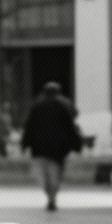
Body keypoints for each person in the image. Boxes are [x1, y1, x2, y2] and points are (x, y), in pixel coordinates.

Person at [21, 82, 80, 213]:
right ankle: (52, 197)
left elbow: (29, 127)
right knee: (55, 174)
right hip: (57, 148)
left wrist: (24, 144)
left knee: (43, 175)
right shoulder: (63, 106)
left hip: (39, 147)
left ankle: (50, 196)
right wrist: (76, 144)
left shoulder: (37, 106)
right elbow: (70, 127)